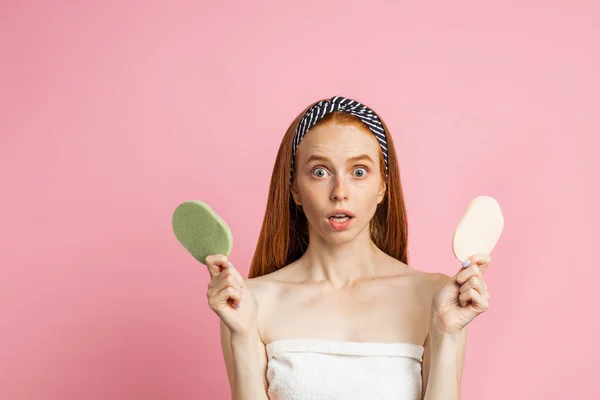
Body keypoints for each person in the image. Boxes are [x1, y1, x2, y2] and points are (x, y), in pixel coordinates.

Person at [204, 95, 492, 400]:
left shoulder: (435, 297)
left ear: (382, 185)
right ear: (295, 189)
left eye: (359, 172)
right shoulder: (252, 304)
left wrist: (447, 333)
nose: (339, 193)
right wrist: (242, 335)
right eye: (319, 172)